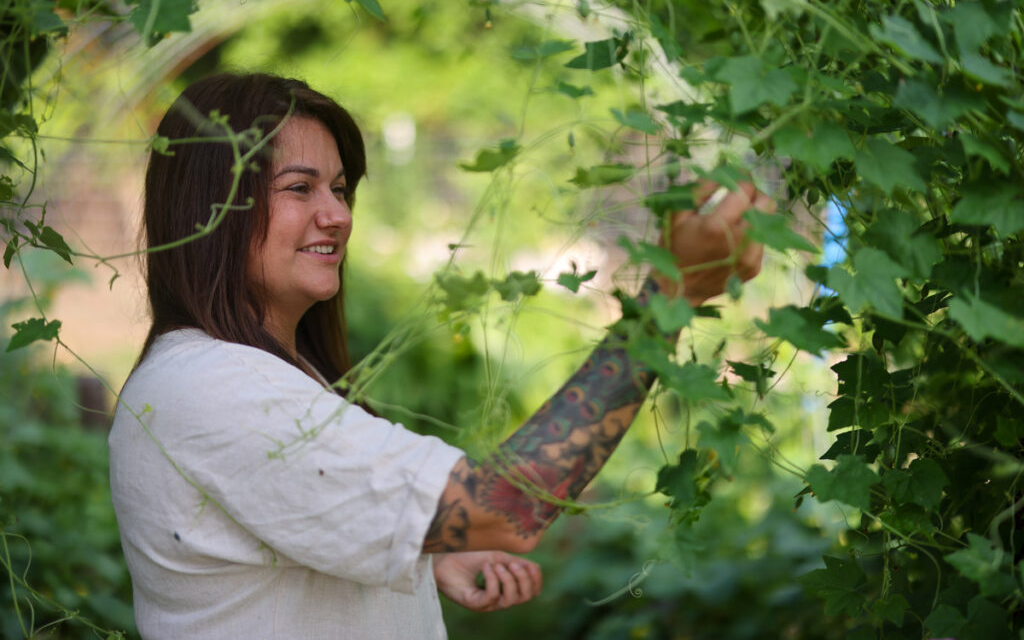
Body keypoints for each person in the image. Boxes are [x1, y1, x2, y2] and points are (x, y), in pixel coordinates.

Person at [108, 72, 772, 639]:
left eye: (340, 189)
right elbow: (506, 507)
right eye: (300, 188)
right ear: (211, 209)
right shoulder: (213, 387)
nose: (336, 214)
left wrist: (420, 548)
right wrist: (666, 300)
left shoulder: (262, 374)